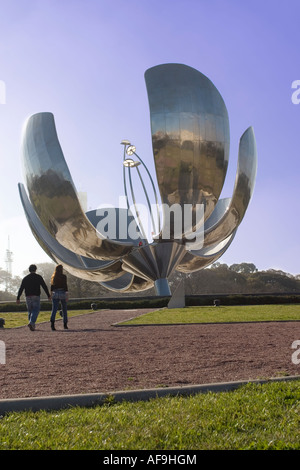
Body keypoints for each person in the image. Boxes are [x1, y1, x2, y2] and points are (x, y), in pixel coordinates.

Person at [16, 264, 51, 331]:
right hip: (36, 295)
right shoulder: (38, 277)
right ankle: (31, 323)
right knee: (36, 310)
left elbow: (21, 288)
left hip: (28, 296)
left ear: (29, 270)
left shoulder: (25, 278)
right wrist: (48, 295)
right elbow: (44, 286)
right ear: (35, 269)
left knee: (30, 311)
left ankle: (32, 325)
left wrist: (18, 297)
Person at [50, 264, 69, 330]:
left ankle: (52, 324)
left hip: (55, 293)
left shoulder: (54, 277)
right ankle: (65, 324)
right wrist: (67, 295)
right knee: (64, 309)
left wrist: (50, 295)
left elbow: (52, 287)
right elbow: (65, 286)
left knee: (54, 309)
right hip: (62, 292)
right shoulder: (64, 277)